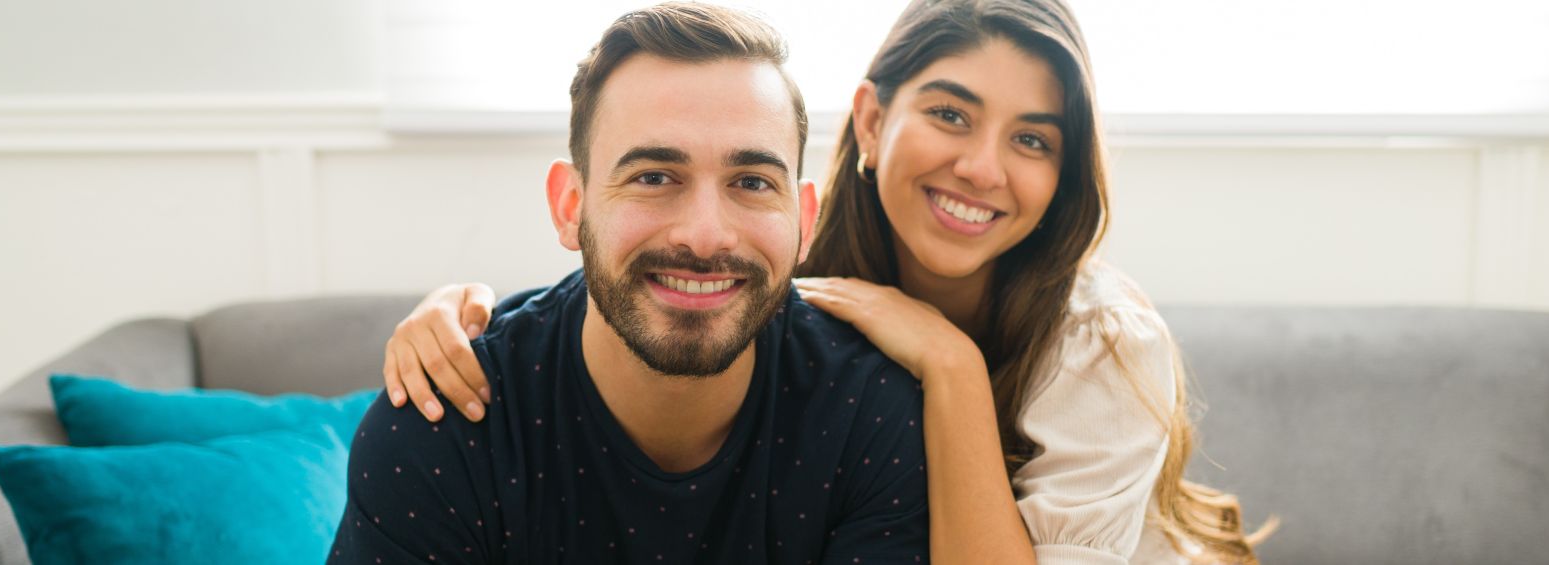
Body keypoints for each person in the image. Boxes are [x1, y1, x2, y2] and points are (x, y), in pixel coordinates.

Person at [385, 0, 1277, 563]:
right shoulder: (795, 278)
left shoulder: (1100, 340)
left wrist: (952, 367)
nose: (982, 166)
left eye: (1033, 139)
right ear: (872, 120)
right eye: (950, 113)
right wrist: (460, 313)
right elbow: (642, 281)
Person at [326, 3, 931, 564]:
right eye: (654, 177)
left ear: (804, 221)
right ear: (570, 206)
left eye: (751, 183)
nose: (705, 236)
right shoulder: (437, 432)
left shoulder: (872, 415)